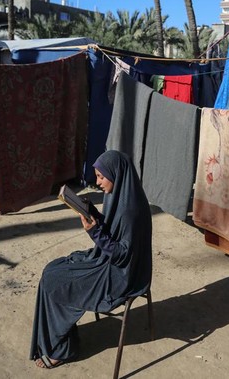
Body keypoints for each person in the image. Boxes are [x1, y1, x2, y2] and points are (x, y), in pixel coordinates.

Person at [30, 150, 153, 369]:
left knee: (53, 281)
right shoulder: (124, 195)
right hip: (109, 263)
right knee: (53, 270)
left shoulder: (131, 210)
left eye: (101, 177)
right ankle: (61, 338)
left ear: (116, 174)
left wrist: (94, 233)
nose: (97, 182)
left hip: (121, 276)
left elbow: (123, 254)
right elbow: (114, 230)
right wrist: (92, 212)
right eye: (96, 176)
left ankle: (62, 350)